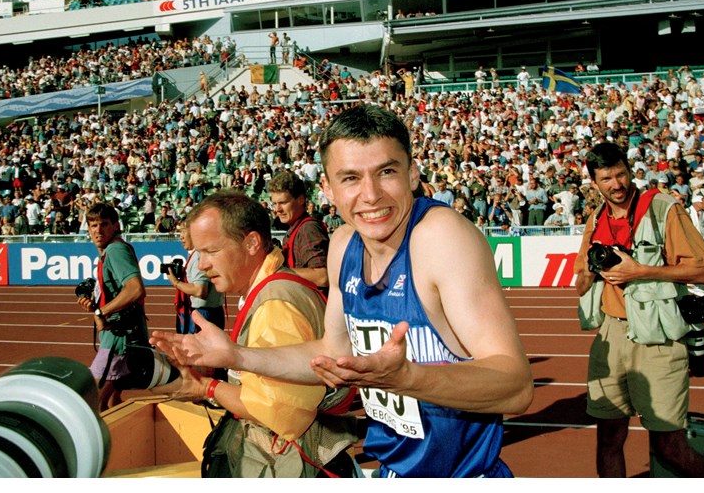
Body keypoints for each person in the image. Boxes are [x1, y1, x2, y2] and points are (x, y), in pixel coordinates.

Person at [151, 104, 533, 478]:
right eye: (350, 178)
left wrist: (408, 379)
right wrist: (237, 355)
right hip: (394, 472)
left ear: (413, 174)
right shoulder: (344, 244)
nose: (370, 195)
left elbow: (516, 386)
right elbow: (331, 354)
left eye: (386, 172)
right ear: (328, 189)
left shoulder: (440, 237)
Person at [153, 191, 358, 477]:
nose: (201, 265)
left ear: (251, 243)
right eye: (199, 254)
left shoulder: (276, 301)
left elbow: (278, 412)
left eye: (211, 251)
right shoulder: (271, 288)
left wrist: (206, 387)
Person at [574, 142, 704, 478]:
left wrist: (640, 270)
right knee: (608, 439)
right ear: (594, 183)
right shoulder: (596, 219)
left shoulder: (662, 209)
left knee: (669, 447)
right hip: (611, 331)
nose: (617, 184)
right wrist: (595, 268)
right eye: (607, 178)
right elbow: (580, 284)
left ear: (630, 170)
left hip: (659, 336)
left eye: (621, 174)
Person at [76, 202, 149, 411]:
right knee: (111, 401)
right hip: (120, 332)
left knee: (95, 401)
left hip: (120, 335)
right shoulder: (110, 251)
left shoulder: (116, 249)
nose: (98, 230)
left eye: (104, 224)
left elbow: (135, 289)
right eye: (93, 226)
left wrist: (101, 311)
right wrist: (95, 305)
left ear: (116, 226)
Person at [267, 170, 329, 293]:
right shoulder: (294, 231)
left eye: (283, 203)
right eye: (274, 203)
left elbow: (322, 276)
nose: (277, 209)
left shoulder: (308, 229)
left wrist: (277, 272)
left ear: (301, 199)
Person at [167, 214, 225, 334]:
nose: (180, 237)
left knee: (199, 351)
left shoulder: (199, 255)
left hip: (203, 313)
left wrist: (176, 282)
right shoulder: (200, 253)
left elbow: (200, 291)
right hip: (210, 312)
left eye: (183, 231)